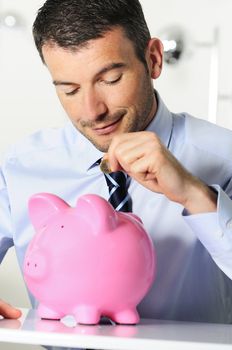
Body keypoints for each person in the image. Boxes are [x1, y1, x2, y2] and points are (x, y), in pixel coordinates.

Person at [1, 0, 232, 326]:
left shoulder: (225, 156)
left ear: (153, 59)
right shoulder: (20, 168)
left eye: (110, 79)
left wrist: (196, 196)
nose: (92, 110)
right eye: (69, 90)